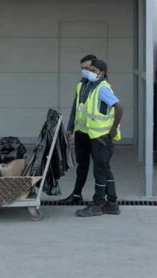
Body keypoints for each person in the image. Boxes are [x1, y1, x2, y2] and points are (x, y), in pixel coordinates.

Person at [75, 58, 123, 217]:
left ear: (102, 73)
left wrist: (114, 128)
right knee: (105, 169)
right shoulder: (91, 86)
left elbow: (119, 107)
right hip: (96, 135)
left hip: (102, 136)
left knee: (100, 172)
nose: (89, 72)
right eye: (89, 70)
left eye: (93, 71)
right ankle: (112, 203)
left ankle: (98, 203)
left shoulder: (102, 88)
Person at [58, 54, 99, 206]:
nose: (85, 71)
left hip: (96, 134)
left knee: (100, 168)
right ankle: (76, 194)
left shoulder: (100, 87)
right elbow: (76, 107)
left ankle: (102, 198)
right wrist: (70, 128)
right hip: (82, 133)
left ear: (96, 69)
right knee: (82, 165)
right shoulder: (81, 85)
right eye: (82, 68)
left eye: (88, 68)